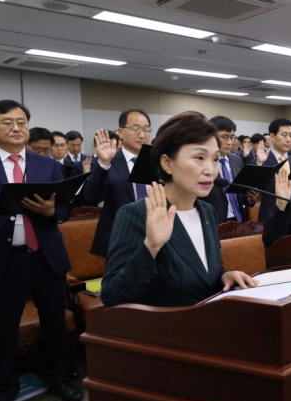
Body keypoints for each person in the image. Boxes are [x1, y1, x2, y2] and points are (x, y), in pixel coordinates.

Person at [0, 100, 83, 401]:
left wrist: (52, 213)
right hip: (3, 260)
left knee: (56, 323)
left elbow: (63, 208)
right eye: (7, 122)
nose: (16, 127)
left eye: (21, 121)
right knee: (1, 331)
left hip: (45, 255)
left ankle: (60, 377)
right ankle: (0, 393)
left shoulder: (46, 165)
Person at [101, 112, 257, 307]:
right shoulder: (136, 213)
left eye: (215, 159)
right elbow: (111, 296)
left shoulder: (207, 211)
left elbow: (203, 272)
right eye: (199, 157)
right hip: (165, 331)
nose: (210, 169)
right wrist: (151, 247)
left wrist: (225, 275)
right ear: (167, 163)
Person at [77, 109, 150, 257]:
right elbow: (91, 198)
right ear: (120, 132)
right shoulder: (106, 161)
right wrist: (104, 163)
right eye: (135, 129)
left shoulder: (157, 162)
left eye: (147, 130)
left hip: (155, 237)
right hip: (120, 240)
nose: (142, 135)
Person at [199, 116, 256, 224]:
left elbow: (240, 195)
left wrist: (250, 197)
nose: (230, 142)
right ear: (211, 136)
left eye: (232, 137)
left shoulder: (237, 160)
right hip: (213, 222)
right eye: (225, 137)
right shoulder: (202, 162)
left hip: (238, 220)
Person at [255, 118, 291, 222]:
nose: (289, 139)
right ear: (272, 136)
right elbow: (254, 187)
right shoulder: (261, 160)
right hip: (270, 216)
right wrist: (259, 164)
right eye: (284, 135)